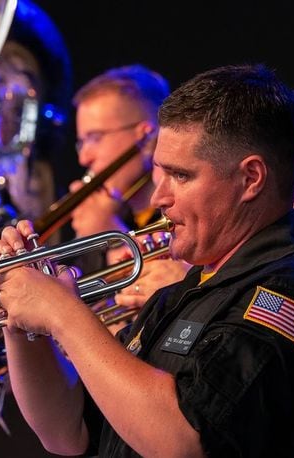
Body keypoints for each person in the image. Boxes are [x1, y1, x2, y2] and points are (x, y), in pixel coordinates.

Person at [0, 64, 294, 456]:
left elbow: (183, 442)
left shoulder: (289, 294)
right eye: (159, 174)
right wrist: (20, 319)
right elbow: (68, 432)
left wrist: (64, 314)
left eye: (181, 176)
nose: (157, 198)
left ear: (250, 178)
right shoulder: (185, 291)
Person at [68, 64, 191, 326]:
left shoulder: (188, 216)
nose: (83, 157)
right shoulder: (114, 215)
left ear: (145, 136)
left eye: (95, 137)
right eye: (81, 141)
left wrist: (113, 238)